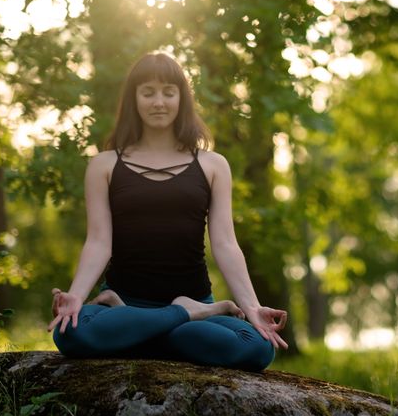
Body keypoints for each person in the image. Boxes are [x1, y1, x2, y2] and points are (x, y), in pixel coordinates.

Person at [47, 51, 289, 372]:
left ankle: (144, 329)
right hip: (128, 302)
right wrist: (76, 296)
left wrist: (252, 307)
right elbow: (98, 242)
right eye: (148, 92)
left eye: (168, 92)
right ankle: (183, 316)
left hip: (186, 300)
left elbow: (225, 243)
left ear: (182, 99)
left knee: (258, 348)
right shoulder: (104, 165)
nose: (158, 102)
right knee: (70, 334)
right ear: (134, 100)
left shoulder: (212, 165)